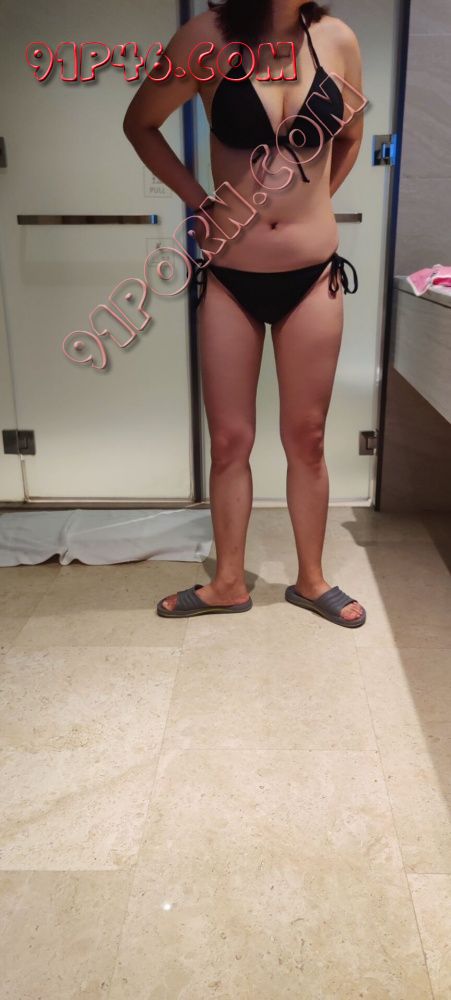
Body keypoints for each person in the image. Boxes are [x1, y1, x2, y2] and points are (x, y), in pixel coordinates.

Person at [123, 0, 368, 627]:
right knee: (231, 440)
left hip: (313, 276)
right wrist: (199, 201)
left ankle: (311, 580)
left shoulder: (337, 40)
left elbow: (349, 136)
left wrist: (311, 206)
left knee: (307, 438)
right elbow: (141, 123)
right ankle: (228, 582)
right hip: (232, 276)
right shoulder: (205, 37)